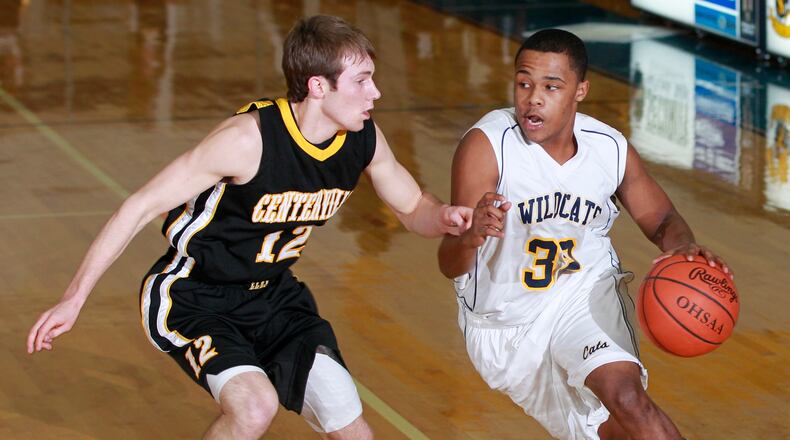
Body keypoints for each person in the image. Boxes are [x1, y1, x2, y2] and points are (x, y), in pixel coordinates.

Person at [27, 15, 471, 440]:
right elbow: (139, 206)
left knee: (349, 423)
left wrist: (447, 217)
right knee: (255, 407)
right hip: (196, 296)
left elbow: (413, 207)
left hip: (276, 297)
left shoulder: (363, 139)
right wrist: (74, 298)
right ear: (318, 86)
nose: (375, 92)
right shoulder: (246, 140)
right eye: (361, 80)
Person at [437, 29, 732, 440]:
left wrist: (681, 246)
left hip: (583, 295)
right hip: (504, 327)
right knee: (612, 433)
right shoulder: (488, 146)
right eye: (524, 83)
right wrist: (469, 239)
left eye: (551, 87)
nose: (533, 98)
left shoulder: (608, 148)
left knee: (628, 399)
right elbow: (449, 263)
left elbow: (661, 217)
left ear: (580, 90)